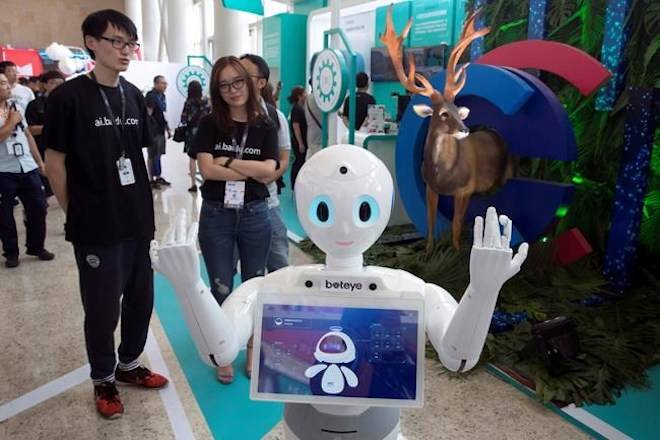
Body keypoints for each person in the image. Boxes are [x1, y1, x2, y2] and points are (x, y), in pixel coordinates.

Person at [43, 9, 168, 420]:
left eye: (130, 43)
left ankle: (129, 364)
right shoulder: (67, 98)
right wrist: (74, 213)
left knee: (140, 300)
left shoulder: (132, 94)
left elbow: (136, 154)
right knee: (102, 308)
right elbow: (55, 163)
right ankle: (103, 378)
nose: (126, 50)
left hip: (136, 220)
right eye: (117, 41)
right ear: (91, 43)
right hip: (96, 225)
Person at [188, 56, 279, 384]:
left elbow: (270, 171)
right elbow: (207, 170)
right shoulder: (209, 122)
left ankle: (253, 348)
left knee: (255, 286)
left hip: (256, 214)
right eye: (224, 85)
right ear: (216, 89)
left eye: (237, 82)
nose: (232, 90)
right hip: (216, 215)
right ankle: (223, 350)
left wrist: (226, 159)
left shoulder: (266, 124)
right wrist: (247, 168)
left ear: (249, 82)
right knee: (221, 287)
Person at [239, 54, 291, 273]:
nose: (237, 80)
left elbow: (284, 159)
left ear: (261, 82)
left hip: (266, 202)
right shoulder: (222, 117)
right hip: (226, 206)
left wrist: (269, 175)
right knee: (243, 270)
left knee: (278, 263)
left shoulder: (275, 117)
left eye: (244, 75)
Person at [0, 72, 54, 268]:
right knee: (5, 215)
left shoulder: (16, 107)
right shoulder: (13, 116)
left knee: (39, 208)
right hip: (4, 170)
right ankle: (11, 253)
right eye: (3, 83)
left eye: (7, 83)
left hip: (27, 166)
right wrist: (11, 122)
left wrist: (39, 162)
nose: (8, 86)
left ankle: (36, 246)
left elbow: (27, 135)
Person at [26, 70, 66, 197]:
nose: (57, 86)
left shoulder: (70, 102)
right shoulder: (35, 105)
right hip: (43, 151)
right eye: (53, 82)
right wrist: (52, 127)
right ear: (44, 85)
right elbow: (30, 130)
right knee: (46, 193)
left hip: (67, 152)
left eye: (60, 83)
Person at [179, 80, 210, 192]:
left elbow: (183, 118)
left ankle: (193, 184)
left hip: (191, 133)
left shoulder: (188, 102)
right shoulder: (206, 102)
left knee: (192, 158)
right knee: (205, 158)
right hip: (205, 133)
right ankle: (205, 182)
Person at [145, 75, 171, 189]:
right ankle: (151, 179)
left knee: (159, 154)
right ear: (156, 84)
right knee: (152, 154)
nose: (165, 85)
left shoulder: (162, 96)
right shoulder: (151, 96)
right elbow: (148, 114)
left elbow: (163, 113)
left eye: (166, 83)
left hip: (161, 130)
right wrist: (148, 130)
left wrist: (168, 128)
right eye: (162, 83)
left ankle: (158, 176)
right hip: (153, 131)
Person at [288, 86, 308, 190]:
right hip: (299, 141)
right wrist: (300, 143)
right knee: (299, 161)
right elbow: (296, 126)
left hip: (301, 140)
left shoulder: (300, 108)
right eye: (305, 93)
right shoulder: (297, 109)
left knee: (300, 160)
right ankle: (294, 184)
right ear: (299, 96)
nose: (306, 95)